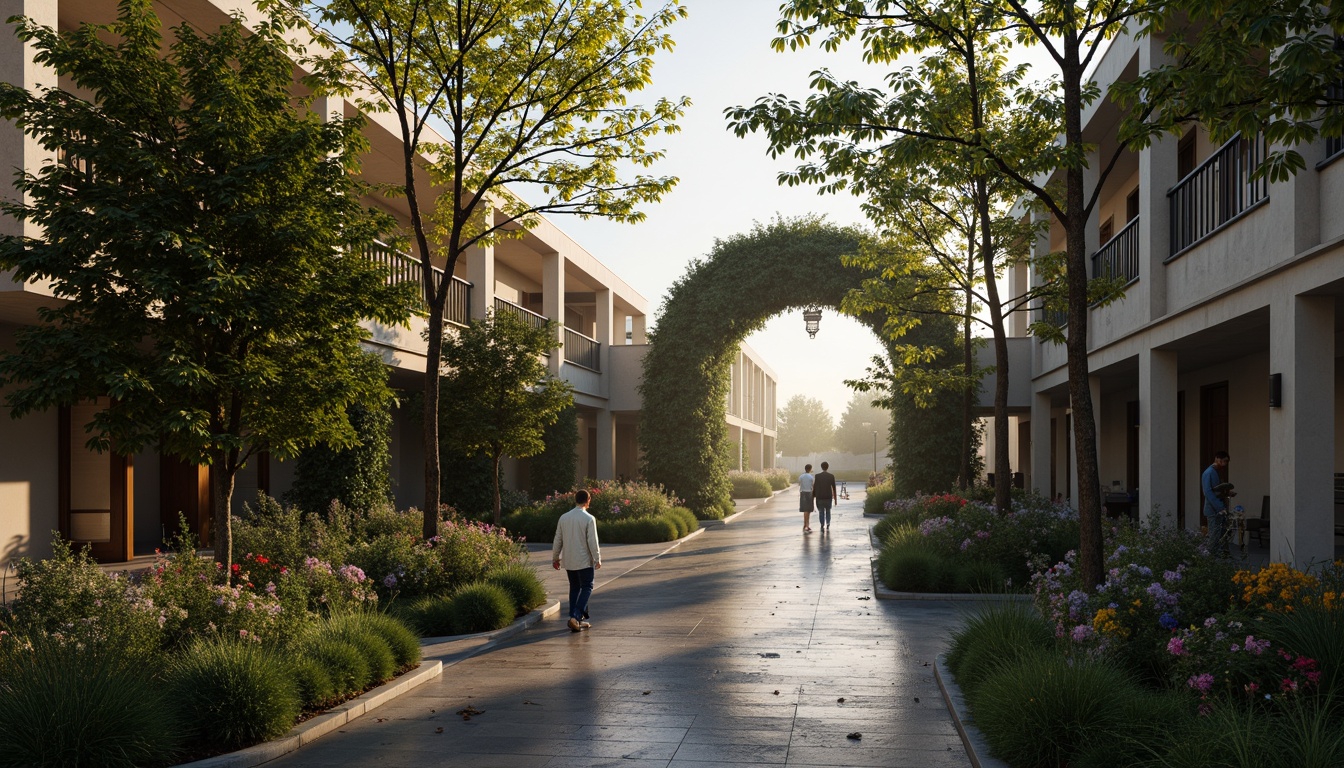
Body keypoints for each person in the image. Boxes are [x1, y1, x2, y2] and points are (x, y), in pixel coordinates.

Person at [552, 489, 601, 632]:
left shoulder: (564, 517)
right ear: (588, 500)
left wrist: (555, 558)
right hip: (584, 560)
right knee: (587, 587)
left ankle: (577, 620)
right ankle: (575, 616)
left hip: (569, 560)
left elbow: (558, 539)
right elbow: (593, 541)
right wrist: (597, 558)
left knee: (574, 588)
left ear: (575, 500)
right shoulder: (589, 518)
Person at [1201, 451, 1233, 553]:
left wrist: (1227, 492)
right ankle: (1209, 558)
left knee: (1223, 533)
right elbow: (1208, 492)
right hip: (1213, 510)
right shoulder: (1209, 472)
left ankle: (1223, 556)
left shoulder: (1216, 471)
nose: (1226, 464)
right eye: (1225, 461)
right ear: (1218, 459)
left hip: (1219, 508)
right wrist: (1220, 507)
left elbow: (1217, 490)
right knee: (1214, 536)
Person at [812, 461, 838, 533]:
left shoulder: (817, 476)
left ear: (821, 467)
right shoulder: (831, 476)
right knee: (828, 511)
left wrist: (813, 497)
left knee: (821, 512)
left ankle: (822, 524)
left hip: (819, 497)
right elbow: (834, 488)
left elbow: (815, 487)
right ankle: (828, 523)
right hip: (828, 497)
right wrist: (835, 500)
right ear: (827, 467)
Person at [798, 464, 815, 533]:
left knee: (805, 510)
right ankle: (807, 525)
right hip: (809, 493)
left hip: (802, 493)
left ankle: (806, 524)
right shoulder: (811, 477)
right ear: (810, 469)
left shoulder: (801, 476)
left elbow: (800, 484)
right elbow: (812, 486)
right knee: (808, 510)